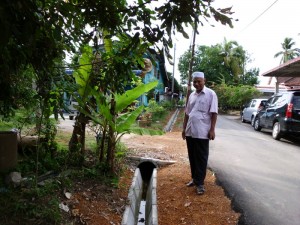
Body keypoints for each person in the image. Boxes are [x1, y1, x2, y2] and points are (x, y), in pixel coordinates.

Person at [182, 71, 218, 195]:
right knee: (192, 156)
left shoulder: (211, 94)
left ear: (204, 81)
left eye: (199, 81)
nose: (196, 84)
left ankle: (200, 184)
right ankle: (194, 179)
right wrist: (183, 129)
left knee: (201, 157)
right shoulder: (191, 95)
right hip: (190, 131)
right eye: (194, 82)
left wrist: (212, 129)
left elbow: (214, 113)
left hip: (202, 132)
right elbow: (187, 114)